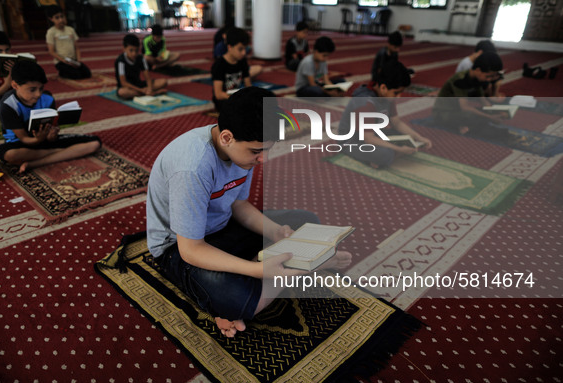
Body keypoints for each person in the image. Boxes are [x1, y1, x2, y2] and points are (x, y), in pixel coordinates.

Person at [146, 87, 352, 337]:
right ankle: (301, 268)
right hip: (178, 247)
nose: (262, 159)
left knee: (306, 222)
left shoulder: (243, 151)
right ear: (226, 138)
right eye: (256, 151)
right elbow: (190, 249)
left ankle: (270, 270)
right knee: (239, 300)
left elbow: (238, 205)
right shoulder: (192, 168)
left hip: (223, 225)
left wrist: (276, 232)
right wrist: (256, 270)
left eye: (267, 149)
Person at [0, 61, 101, 173]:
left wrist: (52, 135)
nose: (38, 94)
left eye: (41, 89)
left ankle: (35, 163)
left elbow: (50, 130)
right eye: (32, 90)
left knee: (94, 143)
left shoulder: (47, 99)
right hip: (20, 144)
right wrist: (38, 139)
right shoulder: (7, 105)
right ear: (15, 85)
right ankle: (63, 152)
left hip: (44, 142)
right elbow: (24, 139)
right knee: (9, 154)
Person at [338, 61, 432, 169]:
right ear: (383, 88)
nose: (398, 96)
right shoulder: (365, 102)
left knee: (408, 138)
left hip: (373, 133)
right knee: (384, 155)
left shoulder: (387, 97)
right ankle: (381, 159)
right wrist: (399, 150)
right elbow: (368, 139)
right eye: (396, 93)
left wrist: (419, 138)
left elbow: (396, 123)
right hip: (352, 141)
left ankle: (388, 156)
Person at [433, 51, 510, 139]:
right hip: (443, 113)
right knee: (473, 116)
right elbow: (465, 107)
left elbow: (483, 101)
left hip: (458, 110)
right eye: (488, 76)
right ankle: (463, 126)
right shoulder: (460, 79)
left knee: (482, 112)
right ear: (478, 70)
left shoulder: (476, 78)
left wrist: (495, 112)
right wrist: (490, 117)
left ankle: (465, 126)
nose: (489, 80)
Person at [114, 34, 169, 99]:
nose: (134, 53)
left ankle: (147, 93)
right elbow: (124, 83)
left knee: (163, 82)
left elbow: (148, 77)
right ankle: (154, 93)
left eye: (136, 51)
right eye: (131, 50)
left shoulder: (141, 58)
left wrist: (150, 88)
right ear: (124, 49)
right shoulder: (120, 61)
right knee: (122, 92)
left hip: (138, 84)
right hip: (127, 87)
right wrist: (141, 90)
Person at [211, 27, 252, 112]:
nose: (244, 53)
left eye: (245, 49)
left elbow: (248, 86)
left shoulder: (242, 61)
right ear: (229, 47)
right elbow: (218, 94)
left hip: (237, 96)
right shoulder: (219, 65)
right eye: (240, 49)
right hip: (225, 100)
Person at [46, 5, 91, 80]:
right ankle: (62, 72)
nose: (61, 20)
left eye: (62, 16)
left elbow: (77, 47)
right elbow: (51, 51)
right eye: (57, 17)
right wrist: (63, 60)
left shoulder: (70, 30)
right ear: (51, 19)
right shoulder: (51, 32)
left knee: (87, 74)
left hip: (73, 60)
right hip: (61, 61)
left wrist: (78, 60)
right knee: (76, 76)